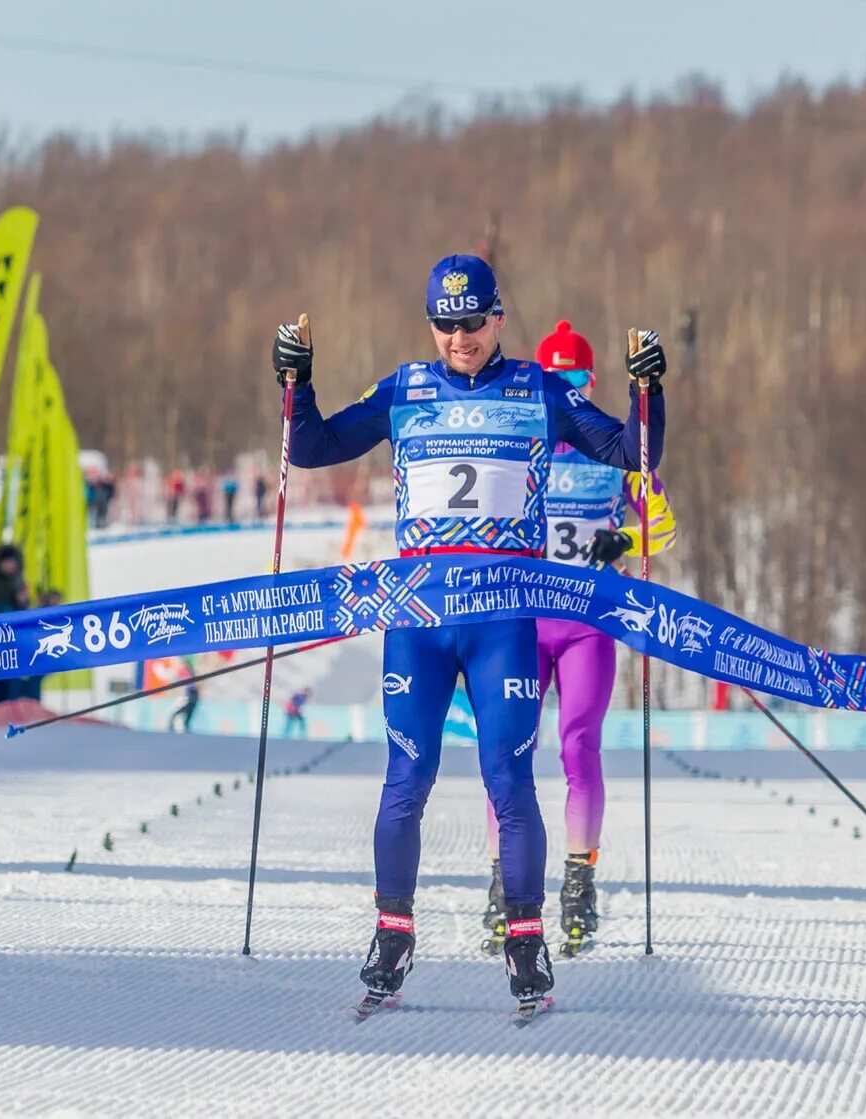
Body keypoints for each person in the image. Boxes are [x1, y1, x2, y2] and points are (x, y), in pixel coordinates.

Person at [272, 254, 668, 1009]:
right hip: (419, 622)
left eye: (472, 322)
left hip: (501, 623)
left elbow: (630, 453)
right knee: (407, 778)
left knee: (509, 779)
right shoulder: (405, 390)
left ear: (497, 320)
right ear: (432, 324)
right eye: (445, 323)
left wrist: (649, 390)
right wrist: (297, 381)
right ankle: (393, 933)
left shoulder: (537, 389)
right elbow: (316, 446)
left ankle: (524, 939)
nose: (459, 337)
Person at [479, 320, 679, 959]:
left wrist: (627, 540)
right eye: (555, 381)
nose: (566, 392)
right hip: (524, 624)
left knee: (578, 748)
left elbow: (665, 530)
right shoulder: (517, 443)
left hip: (588, 624)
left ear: (591, 385)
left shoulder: (610, 449)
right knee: (508, 752)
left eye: (577, 381)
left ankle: (578, 886)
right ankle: (502, 886)